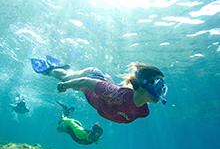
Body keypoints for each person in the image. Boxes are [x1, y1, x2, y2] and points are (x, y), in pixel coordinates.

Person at [31, 56, 168, 123]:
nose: (161, 89)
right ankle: (49, 70)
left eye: (163, 86)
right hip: (91, 76)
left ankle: (64, 68)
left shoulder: (144, 111)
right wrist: (65, 86)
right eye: (157, 82)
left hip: (103, 84)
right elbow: (86, 81)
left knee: (73, 78)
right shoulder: (118, 94)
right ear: (143, 83)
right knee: (66, 78)